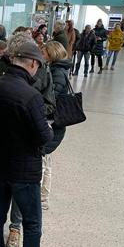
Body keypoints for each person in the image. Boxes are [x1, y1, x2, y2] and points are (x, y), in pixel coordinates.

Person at [0, 39, 57, 247]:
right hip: (25, 169)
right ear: (33, 64)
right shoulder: (31, 95)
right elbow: (44, 137)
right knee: (32, 223)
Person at [41, 41, 73, 209]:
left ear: (51, 54)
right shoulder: (59, 69)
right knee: (47, 162)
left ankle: (43, 199)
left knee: (44, 163)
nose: (42, 55)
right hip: (55, 122)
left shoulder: (56, 72)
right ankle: (43, 198)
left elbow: (51, 97)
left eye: (44, 52)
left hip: (53, 122)